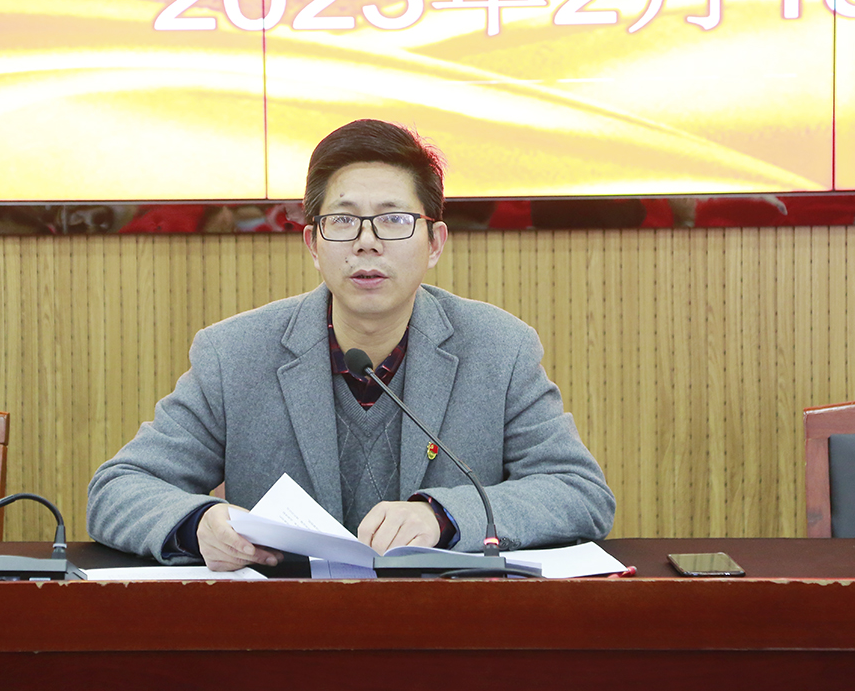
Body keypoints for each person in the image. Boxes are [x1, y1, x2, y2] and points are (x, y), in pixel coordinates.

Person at [86, 119, 615, 571]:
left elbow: (578, 492)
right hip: (284, 633)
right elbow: (118, 488)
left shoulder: (499, 349)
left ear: (434, 243)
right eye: (342, 220)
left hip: (446, 628)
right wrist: (198, 524)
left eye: (393, 219)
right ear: (313, 245)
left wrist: (444, 516)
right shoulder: (235, 354)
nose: (367, 241)